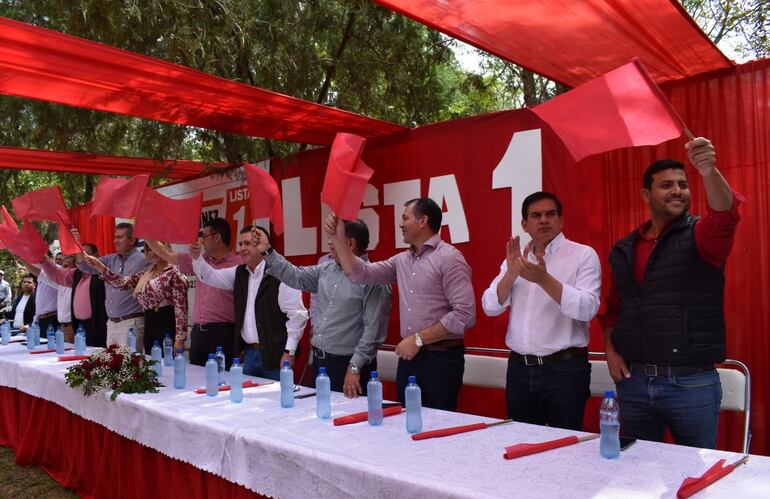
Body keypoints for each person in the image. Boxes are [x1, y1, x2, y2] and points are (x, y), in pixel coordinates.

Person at [602, 137, 742, 449]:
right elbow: (614, 309)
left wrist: (708, 170)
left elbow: (724, 215)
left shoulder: (701, 235)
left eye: (682, 184)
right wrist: (610, 352)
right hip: (633, 384)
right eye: (666, 185)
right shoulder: (624, 249)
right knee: (637, 477)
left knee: (695, 479)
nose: (677, 190)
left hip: (690, 384)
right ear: (645, 195)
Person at [326, 197, 476, 411]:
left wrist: (418, 340)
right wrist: (339, 239)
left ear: (423, 220)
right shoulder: (401, 261)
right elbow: (362, 273)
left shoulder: (449, 258)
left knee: (438, 426)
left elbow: (465, 314)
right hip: (408, 358)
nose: (400, 224)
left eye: (405, 218)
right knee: (404, 423)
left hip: (441, 359)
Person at [481, 192, 601, 430]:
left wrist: (544, 279)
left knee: (566, 448)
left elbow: (587, 309)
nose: (544, 220)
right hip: (519, 370)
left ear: (561, 220)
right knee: (521, 444)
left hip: (564, 370)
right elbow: (490, 306)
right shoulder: (515, 259)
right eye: (536, 215)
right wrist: (512, 272)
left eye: (550, 214)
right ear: (524, 224)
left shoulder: (582, 255)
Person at [256, 219, 392, 397]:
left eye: (333, 238)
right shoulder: (326, 269)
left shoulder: (374, 279)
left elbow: (372, 331)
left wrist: (354, 367)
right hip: (321, 363)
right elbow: (296, 276)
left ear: (349, 243)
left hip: (348, 367)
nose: (329, 243)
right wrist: (268, 251)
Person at [193, 226, 308, 381]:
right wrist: (197, 258)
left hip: (276, 357)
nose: (242, 249)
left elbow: (298, 315)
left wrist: (290, 351)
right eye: (240, 244)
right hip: (249, 355)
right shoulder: (240, 272)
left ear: (263, 245)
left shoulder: (281, 272)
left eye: (248, 243)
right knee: (246, 402)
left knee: (275, 403)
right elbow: (210, 276)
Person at [144, 217, 241, 367]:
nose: (201, 241)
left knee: (222, 382)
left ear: (217, 237)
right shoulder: (199, 260)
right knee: (195, 380)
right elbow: (167, 254)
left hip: (223, 334)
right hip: (198, 333)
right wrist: (146, 233)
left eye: (205, 236)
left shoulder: (239, 264)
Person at [83, 242, 189, 353]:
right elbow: (122, 282)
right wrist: (99, 266)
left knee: (167, 365)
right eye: (149, 249)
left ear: (165, 249)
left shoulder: (174, 272)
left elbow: (181, 307)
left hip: (166, 324)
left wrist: (180, 338)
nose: (153, 252)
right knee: (151, 364)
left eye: (156, 248)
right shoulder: (147, 273)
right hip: (149, 324)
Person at [76, 223, 147, 350]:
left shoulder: (143, 260)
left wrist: (100, 266)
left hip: (131, 322)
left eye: (120, 237)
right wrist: (77, 246)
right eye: (115, 237)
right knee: (113, 367)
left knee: (131, 367)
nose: (115, 241)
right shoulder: (111, 259)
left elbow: (123, 283)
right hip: (111, 323)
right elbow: (84, 266)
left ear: (132, 240)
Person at [39, 242, 108, 347]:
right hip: (79, 327)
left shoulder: (103, 272)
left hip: (97, 327)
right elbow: (56, 274)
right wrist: (42, 259)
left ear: (96, 255)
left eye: (84, 255)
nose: (82, 259)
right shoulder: (76, 274)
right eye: (79, 256)